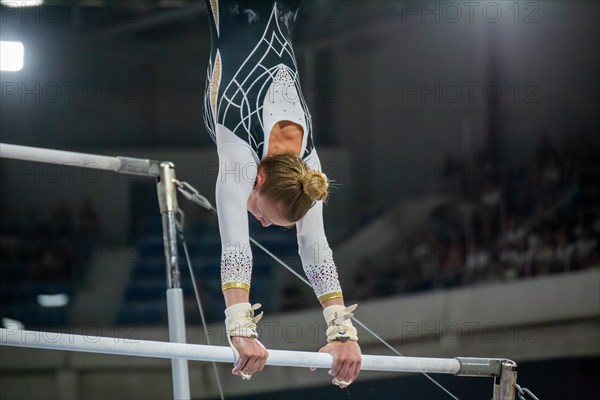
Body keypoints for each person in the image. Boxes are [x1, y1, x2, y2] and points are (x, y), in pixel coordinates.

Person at [203, 0, 361, 388]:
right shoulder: (239, 154)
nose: (257, 220)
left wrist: (343, 334)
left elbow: (314, 246)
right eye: (263, 215)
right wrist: (240, 327)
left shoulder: (306, 167)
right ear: (256, 181)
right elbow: (236, 246)